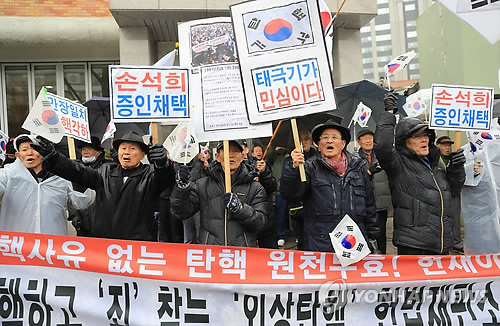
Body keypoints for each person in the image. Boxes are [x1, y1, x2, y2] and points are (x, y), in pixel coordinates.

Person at [32, 131, 174, 241]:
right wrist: (53, 157)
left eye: (132, 148)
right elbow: (77, 172)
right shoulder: (106, 171)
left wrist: (163, 165)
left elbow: (165, 180)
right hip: (104, 244)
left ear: (143, 154)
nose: (126, 152)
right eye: (123, 148)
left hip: (138, 243)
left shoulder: (149, 174)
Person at [375, 93, 466, 255]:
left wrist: (456, 168)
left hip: (442, 243)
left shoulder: (435, 163)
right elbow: (382, 146)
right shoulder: (398, 163)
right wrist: (389, 113)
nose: (423, 139)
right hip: (415, 244)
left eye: (426, 135)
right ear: (404, 141)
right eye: (417, 136)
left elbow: (453, 190)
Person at [281, 119, 380, 252]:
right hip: (321, 242)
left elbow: (370, 205)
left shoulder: (358, 168)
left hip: (354, 242)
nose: (329, 141)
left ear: (343, 143)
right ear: (318, 145)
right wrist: (293, 169)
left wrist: (372, 237)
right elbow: (290, 194)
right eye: (325, 138)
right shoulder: (309, 168)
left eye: (334, 137)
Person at [170, 139, 270, 247]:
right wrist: (181, 189)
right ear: (217, 156)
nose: (230, 155)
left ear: (242, 156)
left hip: (242, 255)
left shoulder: (255, 188)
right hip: (211, 253)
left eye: (235, 151)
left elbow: (261, 223)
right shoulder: (202, 185)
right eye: (226, 151)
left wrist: (240, 209)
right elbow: (180, 212)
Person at [0, 135, 93, 235]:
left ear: (44, 153)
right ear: (18, 155)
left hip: (52, 245)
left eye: (34, 148)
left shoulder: (61, 176)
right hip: (18, 245)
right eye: (24, 149)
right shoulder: (8, 174)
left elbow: (82, 203)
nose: (29, 153)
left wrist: (77, 176)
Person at [461, 140, 500, 254]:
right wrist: (470, 170)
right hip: (480, 213)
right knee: (483, 249)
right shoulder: (467, 151)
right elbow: (456, 176)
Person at [356, 127, 392, 254]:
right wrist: (368, 172)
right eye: (364, 138)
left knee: (381, 232)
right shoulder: (355, 158)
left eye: (370, 138)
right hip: (364, 202)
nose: (368, 141)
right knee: (365, 231)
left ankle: (383, 257)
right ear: (359, 142)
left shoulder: (382, 155)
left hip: (382, 200)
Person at [68, 136, 110, 236]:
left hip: (104, 223)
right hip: (83, 223)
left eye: (89, 149)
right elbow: (70, 194)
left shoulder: (108, 169)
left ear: (99, 152)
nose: (85, 152)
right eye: (83, 149)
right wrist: (74, 214)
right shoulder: (75, 169)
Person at [288, 129, 319, 250]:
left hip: (314, 208)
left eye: (306, 139)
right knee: (300, 239)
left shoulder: (318, 157)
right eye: (300, 140)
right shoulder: (290, 158)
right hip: (297, 207)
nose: (303, 143)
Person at [436, 135, 463, 251]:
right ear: (438, 146)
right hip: (440, 194)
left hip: (453, 193)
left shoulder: (455, 158)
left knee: (455, 219)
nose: (447, 148)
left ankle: (456, 242)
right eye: (444, 145)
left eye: (449, 145)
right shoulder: (435, 160)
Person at [183, 150, 212, 244]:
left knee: (199, 227)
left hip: (200, 200)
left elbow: (207, 180)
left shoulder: (204, 165)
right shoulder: (180, 165)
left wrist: (206, 166)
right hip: (186, 199)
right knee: (187, 230)